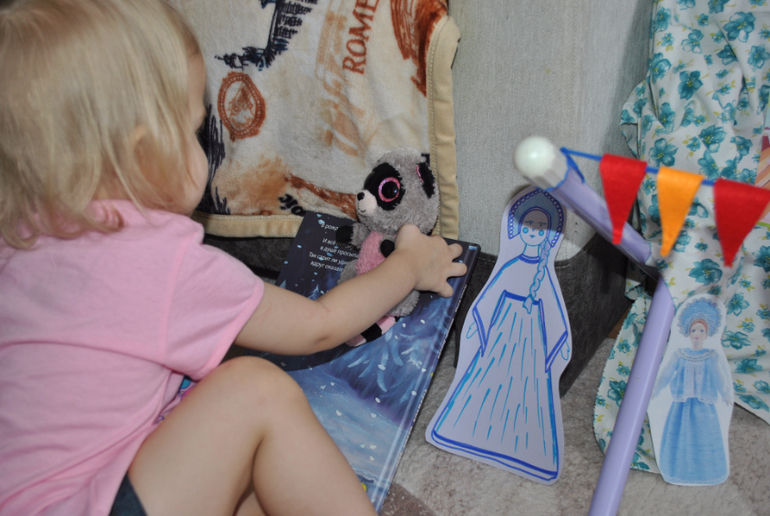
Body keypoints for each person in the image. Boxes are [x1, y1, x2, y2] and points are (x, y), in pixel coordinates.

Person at [0, 1, 467, 515]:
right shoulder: (159, 264)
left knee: (232, 446)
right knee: (255, 392)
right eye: (193, 131)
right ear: (144, 155)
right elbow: (319, 325)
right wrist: (408, 265)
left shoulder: (19, 242)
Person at [429, 189, 569, 483]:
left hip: (530, 343)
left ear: (548, 234)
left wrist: (560, 344)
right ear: (518, 230)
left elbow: (554, 312)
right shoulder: (511, 266)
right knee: (489, 385)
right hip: (501, 339)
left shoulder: (544, 274)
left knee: (525, 391)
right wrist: (475, 329)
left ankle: (524, 450)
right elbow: (486, 302)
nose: (534, 231)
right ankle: (469, 433)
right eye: (529, 225)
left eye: (541, 226)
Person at [651, 295, 732, 485]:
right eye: (693, 329)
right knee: (680, 436)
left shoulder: (712, 355)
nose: (697, 333)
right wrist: (655, 390)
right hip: (681, 407)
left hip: (704, 406)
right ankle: (680, 470)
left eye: (701, 330)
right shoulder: (679, 354)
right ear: (688, 332)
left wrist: (725, 393)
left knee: (704, 436)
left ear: (707, 333)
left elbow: (719, 376)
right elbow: (666, 374)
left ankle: (705, 470)